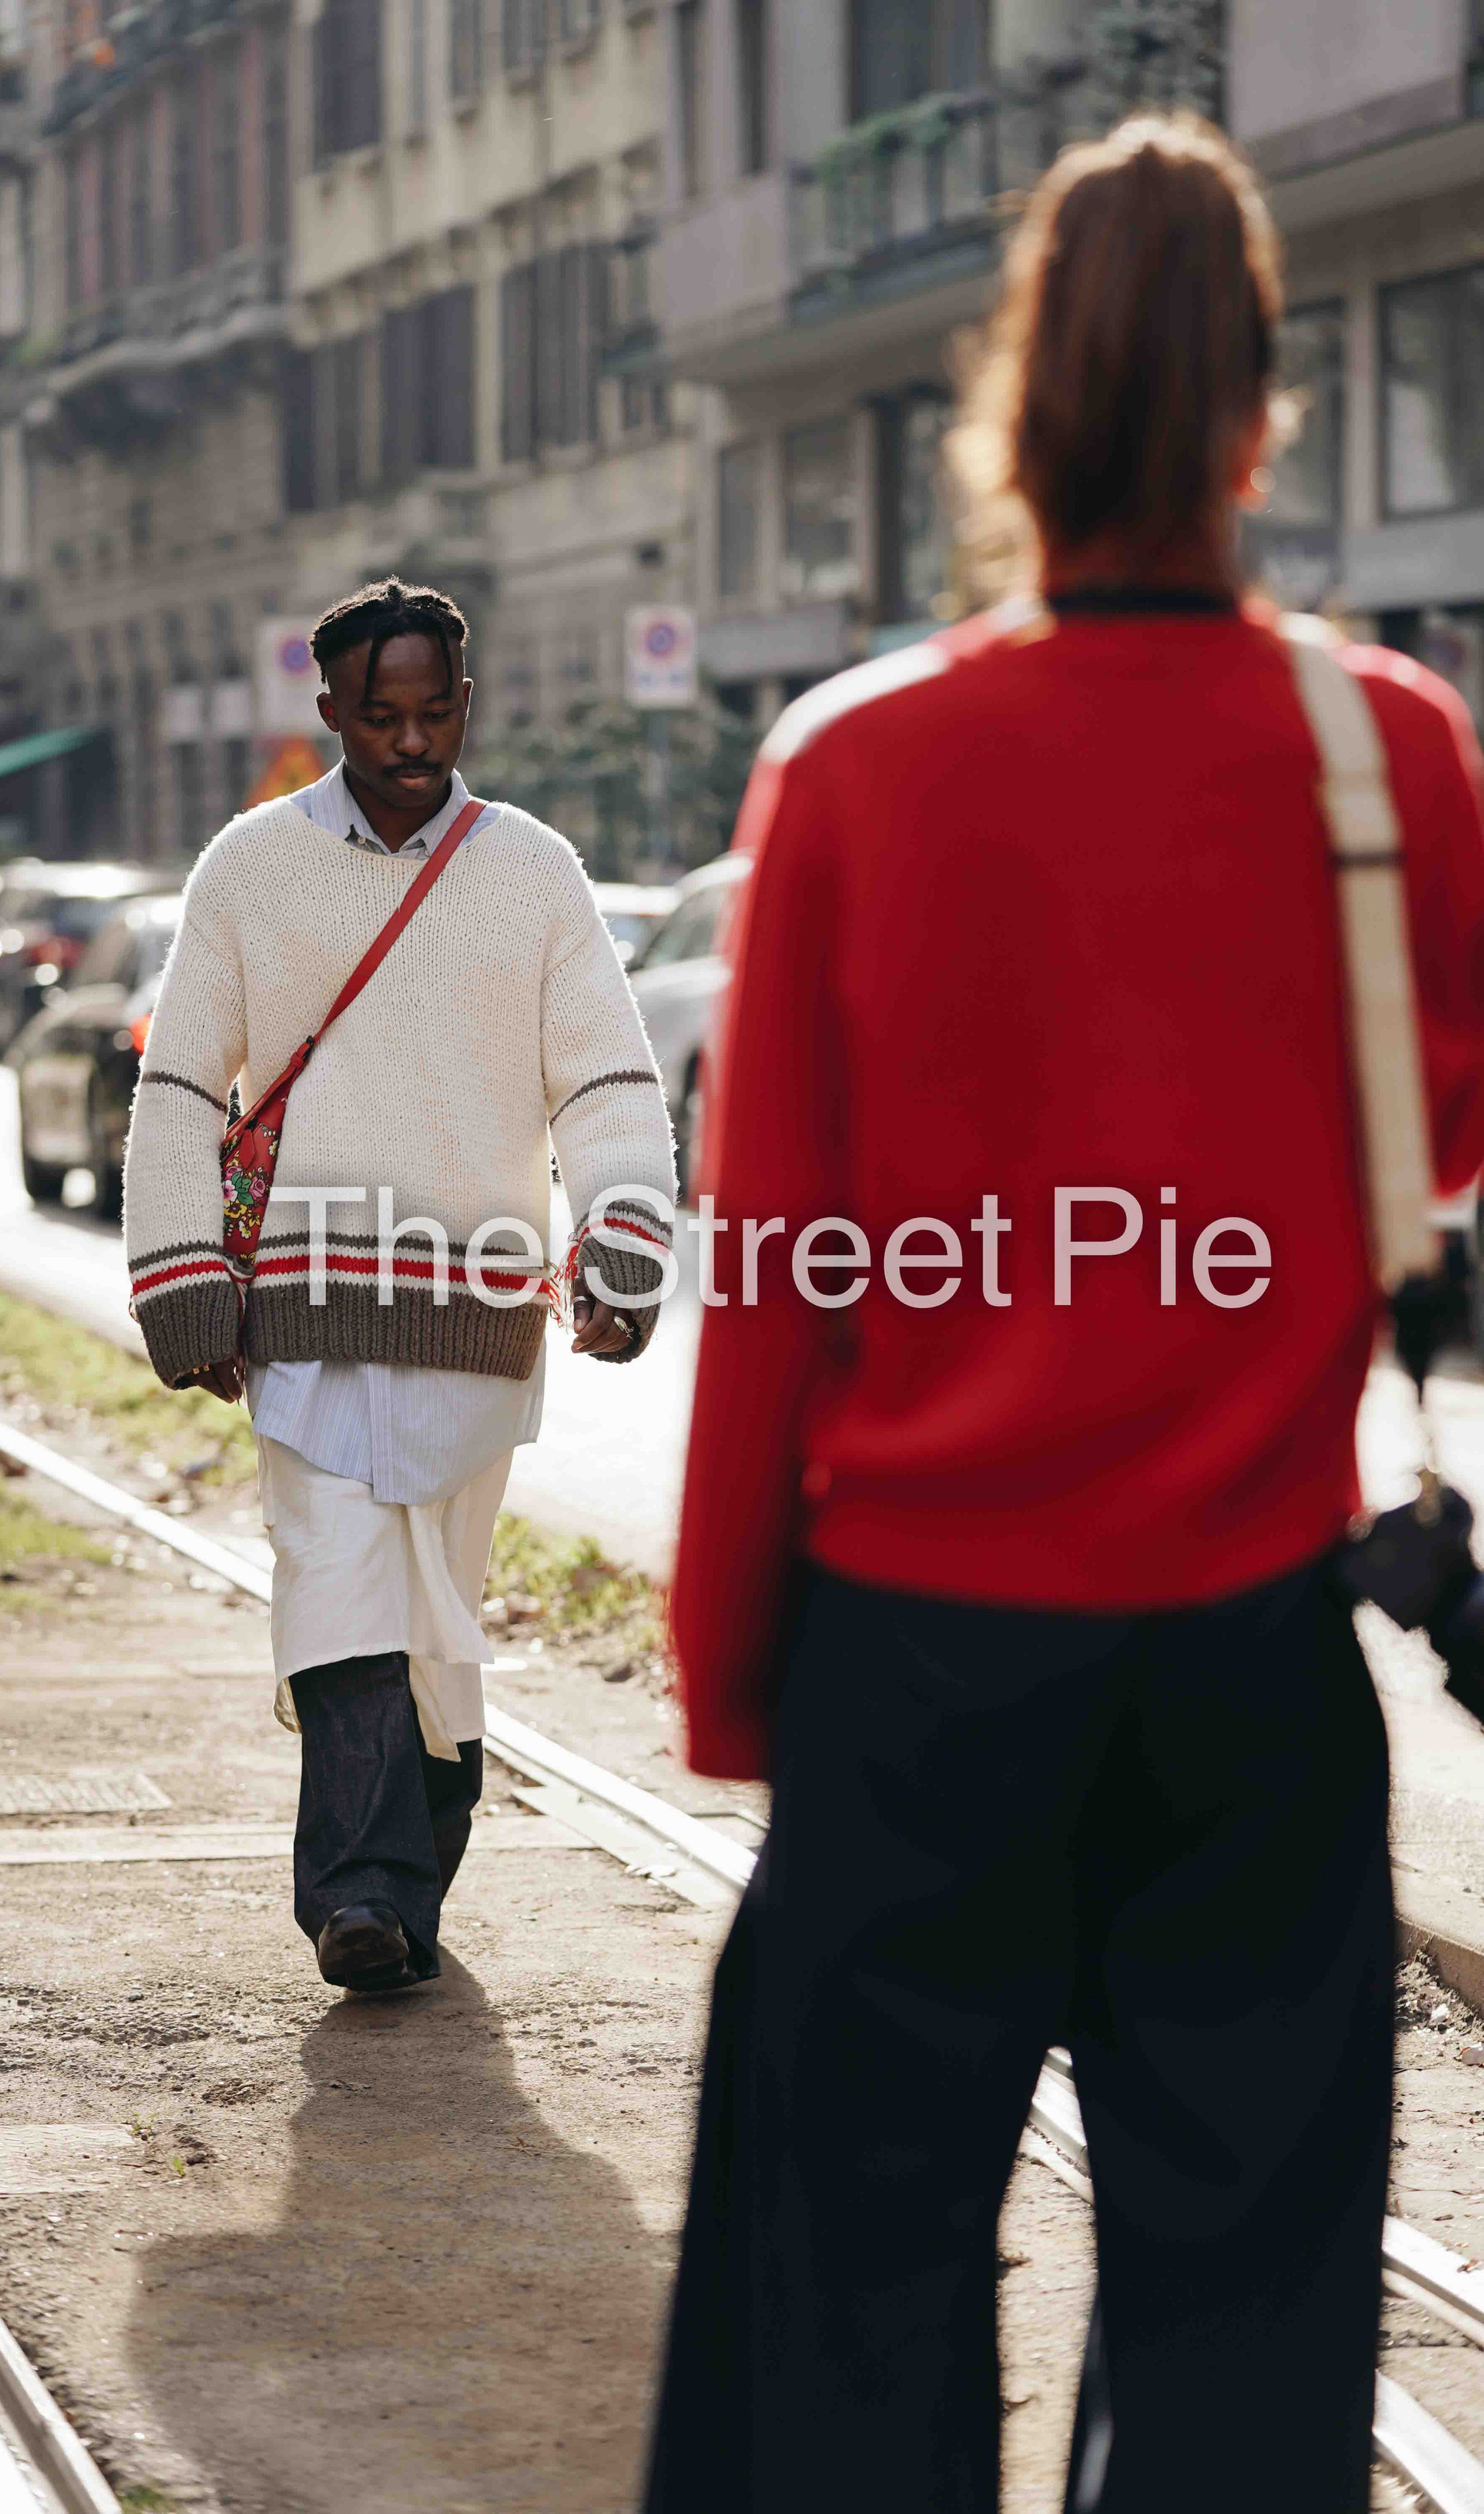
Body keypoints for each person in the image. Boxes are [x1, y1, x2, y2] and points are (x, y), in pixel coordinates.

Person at [645, 115, 1484, 2513]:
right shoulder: (1386, 754)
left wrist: (740, 1677)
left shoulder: (857, 764)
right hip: (1243, 1672)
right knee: (1248, 2320)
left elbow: (778, 1280)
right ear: (1263, 408)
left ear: (1006, 407)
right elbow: (1432, 1144)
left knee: (837, 2311)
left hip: (921, 1681)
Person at [123, 577, 674, 1997]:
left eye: (435, 713)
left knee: (437, 1608)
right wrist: (178, 1268)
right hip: (302, 1305)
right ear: (330, 715)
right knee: (335, 1578)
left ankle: (414, 1856)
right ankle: (361, 1893)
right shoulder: (247, 870)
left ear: (467, 708)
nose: (412, 741)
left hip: (477, 1315)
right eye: (382, 716)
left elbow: (606, 1081)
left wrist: (623, 1240)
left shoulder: (533, 871)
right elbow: (181, 1080)